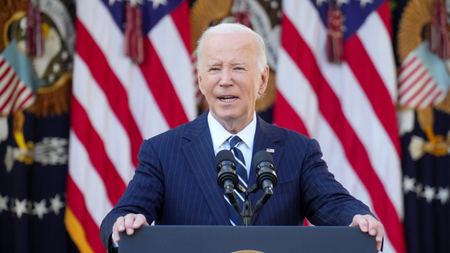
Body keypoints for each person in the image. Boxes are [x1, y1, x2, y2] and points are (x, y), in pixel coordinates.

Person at [100, 23, 384, 252]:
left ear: (262, 80)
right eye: (214, 68)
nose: (225, 80)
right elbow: (124, 214)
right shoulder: (162, 151)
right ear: (200, 79)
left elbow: (332, 203)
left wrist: (359, 219)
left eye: (238, 67)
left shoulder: (298, 150)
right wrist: (123, 224)